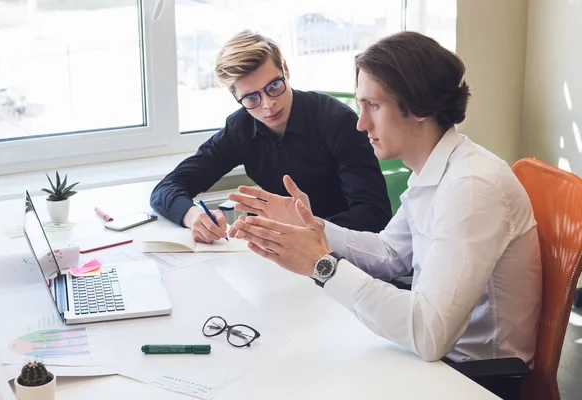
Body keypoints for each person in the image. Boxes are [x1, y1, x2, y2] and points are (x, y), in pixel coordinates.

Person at [230, 31, 542, 367]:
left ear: (419, 107)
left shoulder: (471, 189)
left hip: (474, 376)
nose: (361, 123)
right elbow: (390, 253)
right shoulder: (434, 169)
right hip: (437, 359)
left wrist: (323, 266)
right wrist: (312, 226)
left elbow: (428, 335)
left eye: (373, 106)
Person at [150, 30, 392, 243]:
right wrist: (193, 217)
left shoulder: (337, 122)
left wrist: (302, 228)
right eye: (252, 98)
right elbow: (167, 188)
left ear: (285, 69)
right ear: (236, 97)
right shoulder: (241, 128)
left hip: (342, 256)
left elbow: (374, 215)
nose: (268, 105)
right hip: (277, 254)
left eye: (274, 86)